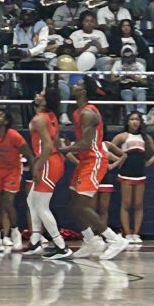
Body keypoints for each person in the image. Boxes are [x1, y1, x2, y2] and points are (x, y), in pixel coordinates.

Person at [59, 78, 128, 260]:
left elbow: (86, 143)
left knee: (82, 205)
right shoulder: (79, 111)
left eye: (78, 84)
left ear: (84, 91)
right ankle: (91, 241)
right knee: (73, 204)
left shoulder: (88, 113)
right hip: (85, 160)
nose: (74, 85)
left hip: (94, 160)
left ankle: (114, 239)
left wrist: (62, 149)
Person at [0, 106, 33, 253]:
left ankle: (16, 235)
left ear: (6, 120)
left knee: (8, 203)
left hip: (13, 170)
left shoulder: (14, 136)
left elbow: (29, 155)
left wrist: (35, 171)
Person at [26, 86, 73, 259]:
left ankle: (61, 246)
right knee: (31, 200)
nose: (37, 94)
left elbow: (46, 145)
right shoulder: (51, 116)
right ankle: (35, 241)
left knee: (41, 206)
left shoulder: (39, 119)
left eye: (41, 94)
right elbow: (55, 140)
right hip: (54, 160)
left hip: (46, 162)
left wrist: (37, 166)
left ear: (45, 101)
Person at [109, 112, 154, 244]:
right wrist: (118, 161)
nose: (134, 122)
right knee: (126, 204)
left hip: (140, 174)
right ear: (127, 122)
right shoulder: (122, 136)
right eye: (132, 119)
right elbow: (108, 149)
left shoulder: (145, 137)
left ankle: (136, 233)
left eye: (137, 119)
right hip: (126, 173)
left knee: (138, 205)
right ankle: (127, 233)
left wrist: (148, 163)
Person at [110, 45, 148, 113]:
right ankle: (129, 115)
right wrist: (122, 77)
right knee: (128, 96)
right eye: (126, 57)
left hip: (138, 86)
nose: (128, 59)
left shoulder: (139, 65)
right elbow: (112, 79)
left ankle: (141, 115)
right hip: (124, 87)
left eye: (130, 57)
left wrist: (134, 77)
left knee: (141, 95)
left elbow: (145, 82)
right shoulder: (117, 64)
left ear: (133, 56)